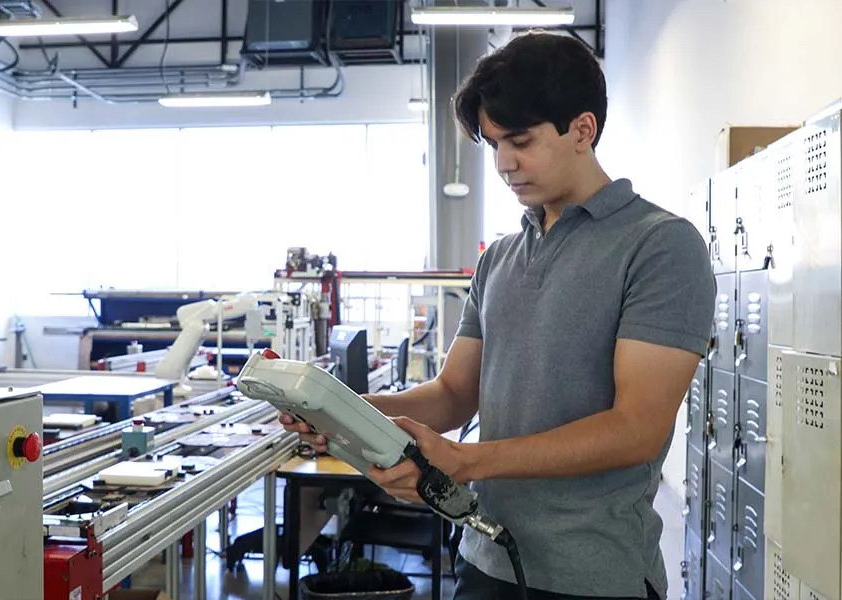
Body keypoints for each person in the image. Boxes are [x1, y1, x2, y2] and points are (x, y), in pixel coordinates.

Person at [281, 30, 715, 600]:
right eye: (492, 144)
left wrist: (468, 460)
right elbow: (454, 394)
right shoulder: (502, 257)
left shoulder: (660, 246)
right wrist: (342, 412)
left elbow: (636, 429)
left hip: (594, 573)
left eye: (521, 140)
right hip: (487, 557)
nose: (505, 163)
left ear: (583, 130)